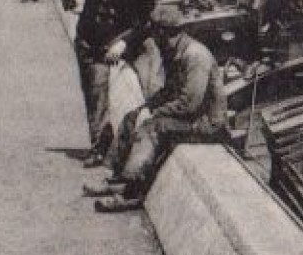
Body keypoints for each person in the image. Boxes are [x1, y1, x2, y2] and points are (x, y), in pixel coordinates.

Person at [91, 12, 227, 212]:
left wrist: (155, 113)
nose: (157, 42)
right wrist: (147, 107)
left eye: (159, 36)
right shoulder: (176, 52)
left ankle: (132, 192)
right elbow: (169, 91)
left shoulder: (195, 56)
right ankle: (117, 178)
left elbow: (190, 104)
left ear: (169, 34)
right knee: (133, 117)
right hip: (191, 117)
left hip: (206, 123)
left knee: (152, 128)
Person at [56, 0, 155, 167]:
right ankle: (101, 143)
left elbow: (145, 23)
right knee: (92, 95)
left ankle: (102, 146)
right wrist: (69, 2)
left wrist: (125, 44)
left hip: (110, 48)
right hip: (86, 43)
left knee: (104, 93)